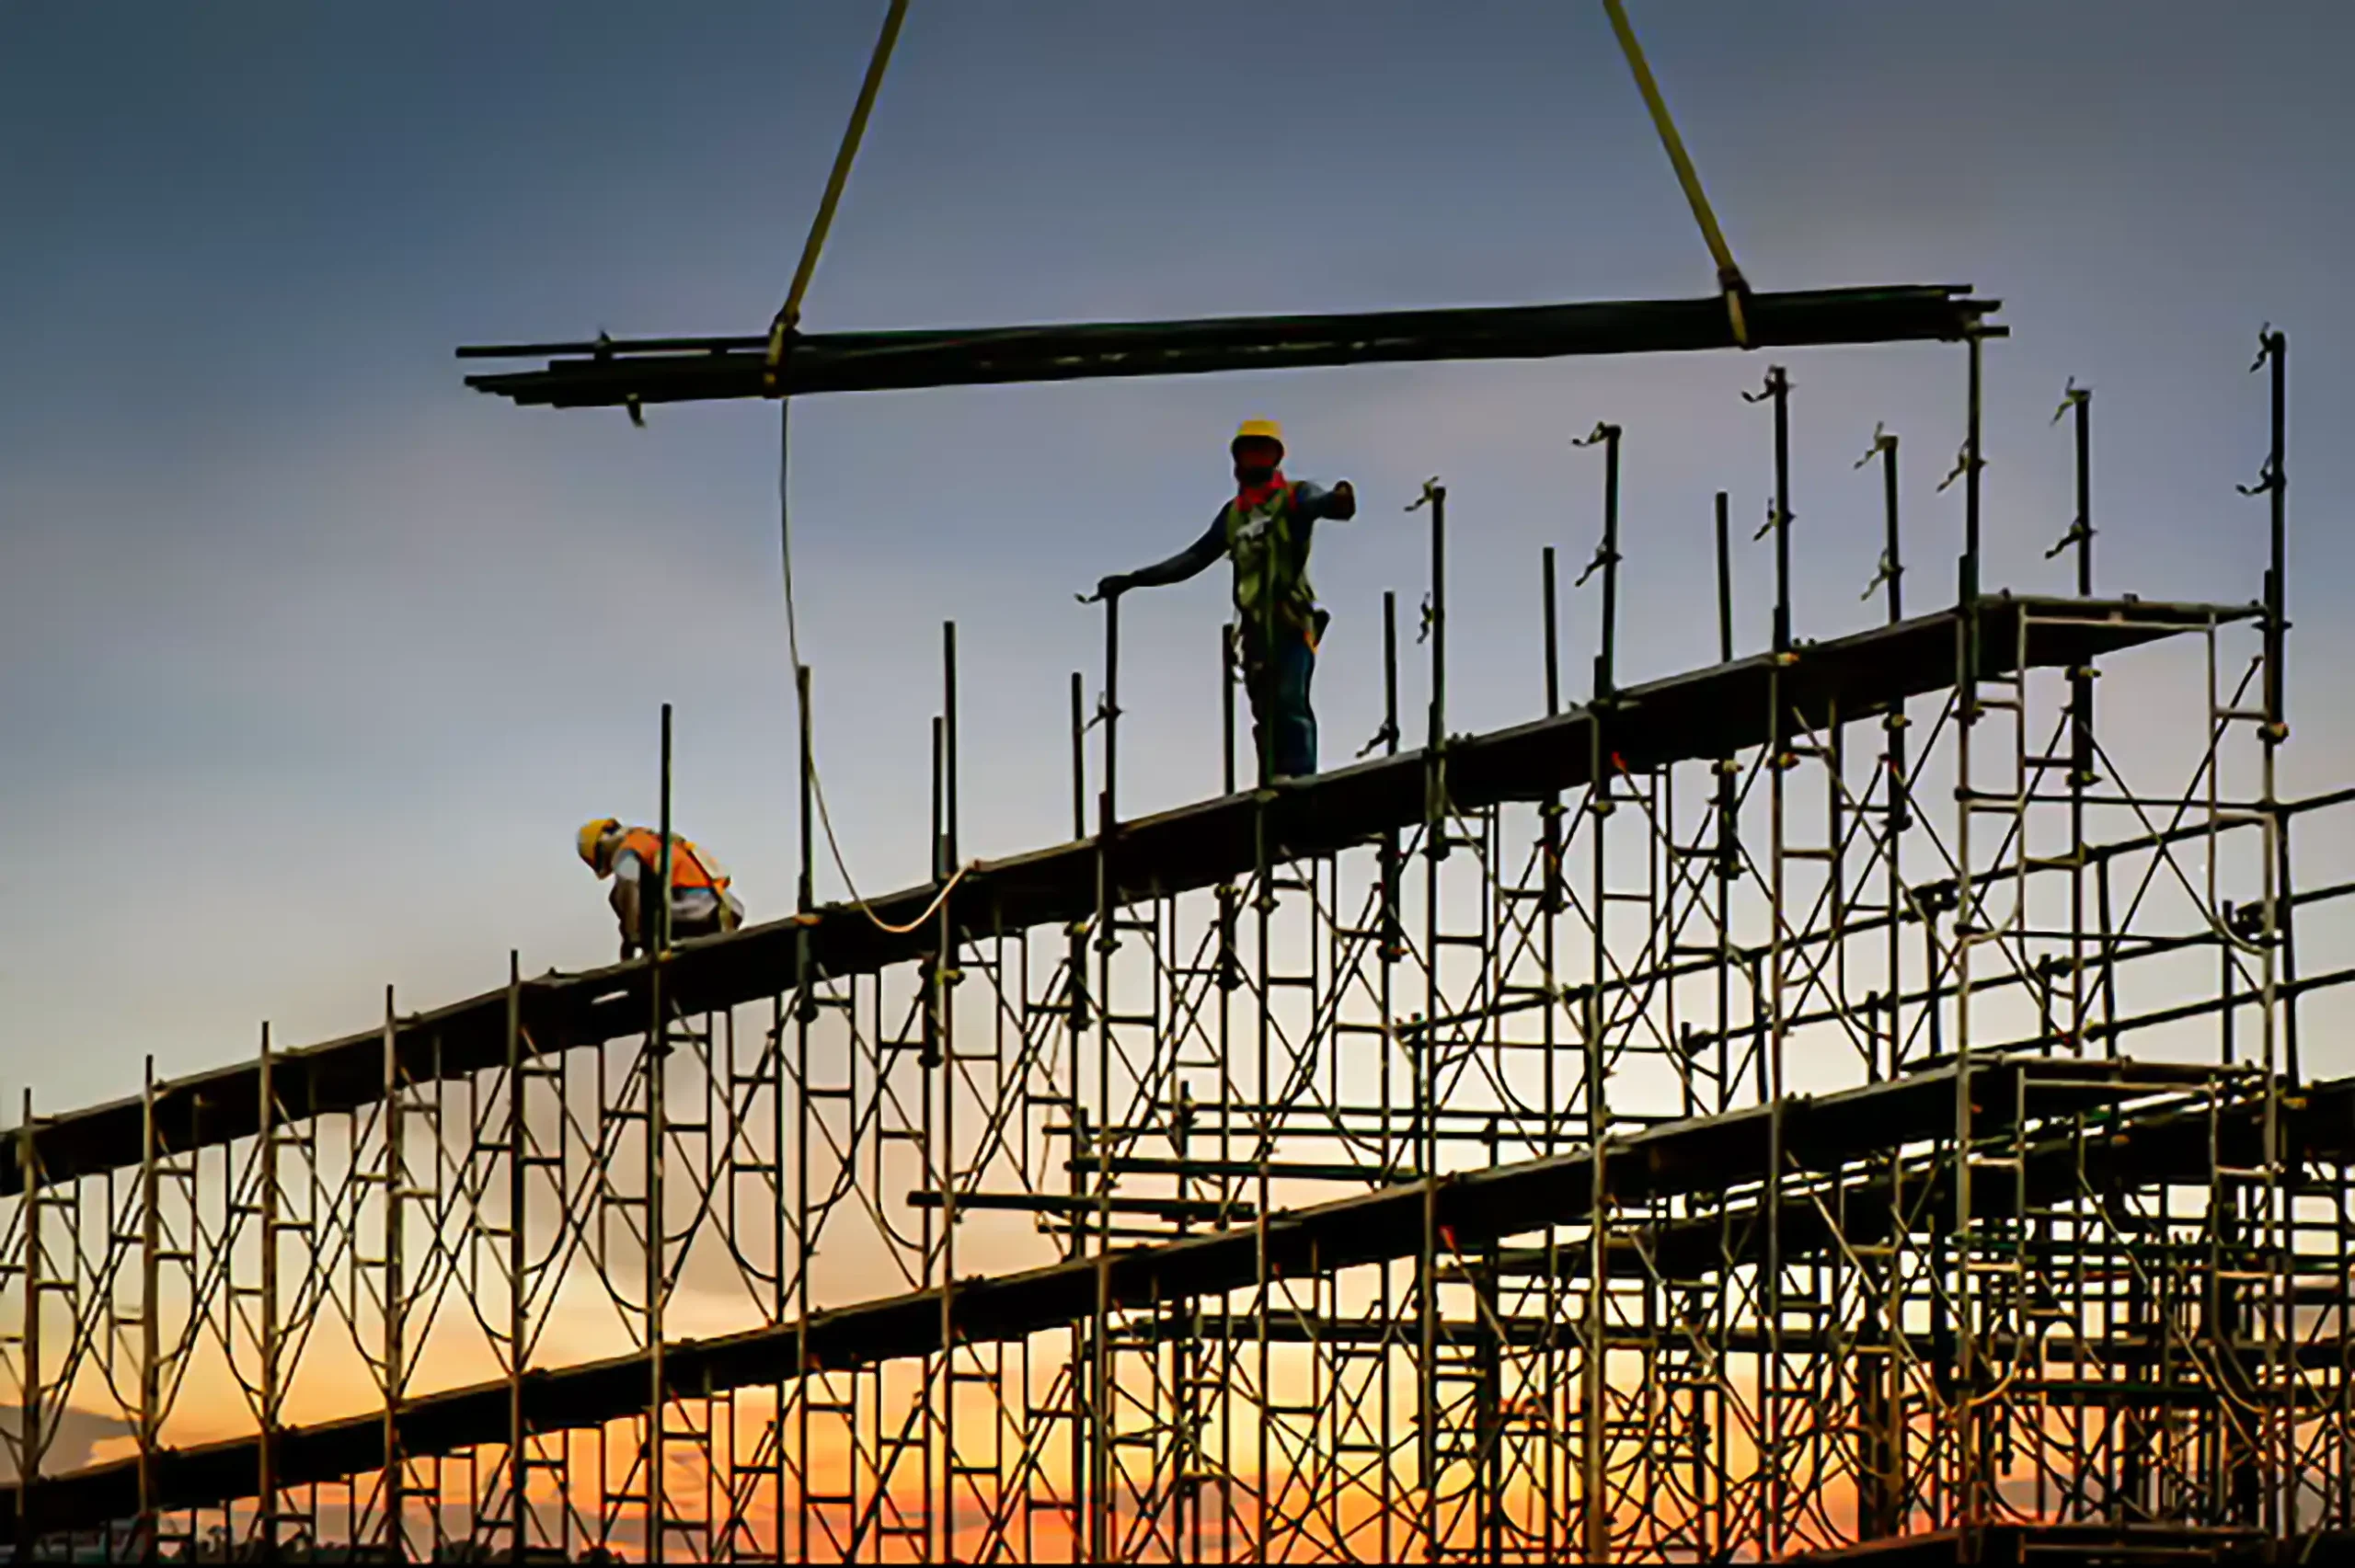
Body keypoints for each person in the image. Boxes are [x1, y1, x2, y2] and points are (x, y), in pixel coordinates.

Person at [1091, 418, 1356, 781]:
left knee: (1289, 699)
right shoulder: (1234, 514)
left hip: (1290, 620)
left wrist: (1336, 500)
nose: (1256, 458)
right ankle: (1273, 778)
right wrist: (1135, 580)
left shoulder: (1294, 496)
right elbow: (1194, 558)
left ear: (1276, 457)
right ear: (1238, 459)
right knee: (1265, 708)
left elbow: (1322, 504)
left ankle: (1302, 779)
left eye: (1264, 451)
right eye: (1250, 451)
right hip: (1254, 630)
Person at [575, 818, 745, 961]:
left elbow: (628, 889)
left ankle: (652, 952)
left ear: (601, 847)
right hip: (722, 908)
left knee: (617, 897)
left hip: (694, 909)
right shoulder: (654, 840)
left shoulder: (627, 850)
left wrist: (630, 941)